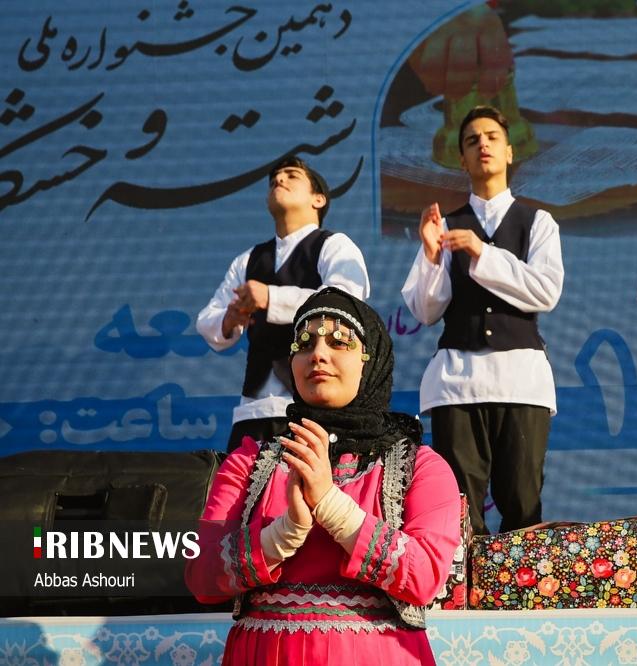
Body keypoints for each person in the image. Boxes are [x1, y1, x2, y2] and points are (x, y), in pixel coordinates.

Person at [187, 287, 461, 665]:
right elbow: (201, 577)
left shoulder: (419, 466)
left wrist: (331, 505)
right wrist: (283, 533)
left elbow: (425, 577)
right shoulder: (249, 463)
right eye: (304, 343)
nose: (318, 353)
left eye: (339, 342)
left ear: (371, 361)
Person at [401, 105, 563, 535]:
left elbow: (546, 291)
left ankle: (518, 579)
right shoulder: (445, 225)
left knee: (523, 504)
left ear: (509, 152)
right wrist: (432, 257)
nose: (483, 145)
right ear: (462, 159)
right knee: (458, 511)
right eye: (472, 140)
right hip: (457, 383)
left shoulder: (538, 222)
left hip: (521, 382)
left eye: (492, 137)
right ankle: (463, 580)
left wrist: (481, 253)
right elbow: (425, 309)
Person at [197, 156, 370, 452]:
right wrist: (230, 318)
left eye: (292, 175)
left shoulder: (334, 245)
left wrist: (272, 298)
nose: (279, 180)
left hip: (314, 409)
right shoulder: (248, 260)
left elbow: (346, 300)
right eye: (274, 180)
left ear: (318, 199)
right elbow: (206, 321)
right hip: (253, 411)